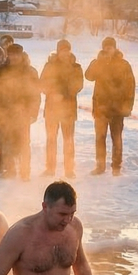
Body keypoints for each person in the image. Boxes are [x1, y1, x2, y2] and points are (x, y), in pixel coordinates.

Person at [85, 37, 135, 176]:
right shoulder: (99, 63)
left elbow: (130, 86)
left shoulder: (123, 64)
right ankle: (100, 166)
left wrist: (128, 106)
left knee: (116, 138)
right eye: (105, 47)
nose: (108, 49)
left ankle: (116, 166)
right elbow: (88, 76)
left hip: (117, 109)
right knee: (100, 138)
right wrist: (97, 61)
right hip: (101, 108)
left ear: (115, 48)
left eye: (110, 47)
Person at [41, 39, 84, 178]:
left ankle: (69, 169)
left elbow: (78, 85)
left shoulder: (76, 67)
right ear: (58, 51)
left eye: (67, 50)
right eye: (62, 50)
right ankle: (50, 168)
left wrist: (63, 94)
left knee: (68, 140)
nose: (65, 53)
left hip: (68, 109)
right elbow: (42, 84)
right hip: (52, 109)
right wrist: (53, 93)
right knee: (51, 139)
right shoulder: (49, 66)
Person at [0, 44, 39, 181]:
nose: (14, 57)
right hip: (6, 112)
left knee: (24, 143)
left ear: (21, 55)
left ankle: (25, 171)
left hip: (23, 113)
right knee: (6, 142)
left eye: (16, 54)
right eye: (11, 54)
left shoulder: (30, 71)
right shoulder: (2, 70)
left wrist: (34, 112)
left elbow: (35, 94)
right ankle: (10, 169)